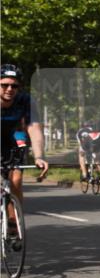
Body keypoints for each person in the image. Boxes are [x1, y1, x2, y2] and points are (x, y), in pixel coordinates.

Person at [0, 64, 50, 219]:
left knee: (16, 180)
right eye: (4, 85)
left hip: (13, 141)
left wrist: (39, 157)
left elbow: (34, 130)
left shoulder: (25, 101)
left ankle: (14, 226)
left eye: (14, 86)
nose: (9, 89)